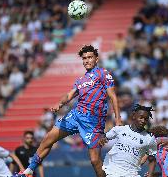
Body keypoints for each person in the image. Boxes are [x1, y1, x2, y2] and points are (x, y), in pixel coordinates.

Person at [15, 45, 122, 177]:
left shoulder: (103, 74)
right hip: (76, 115)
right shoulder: (80, 80)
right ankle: (28, 171)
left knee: (95, 161)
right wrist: (60, 104)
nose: (87, 60)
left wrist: (118, 118)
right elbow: (69, 95)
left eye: (90, 57)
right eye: (84, 58)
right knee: (49, 138)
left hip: (93, 122)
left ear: (96, 59)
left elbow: (113, 96)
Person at [98, 104, 157, 177]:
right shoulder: (120, 129)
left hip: (131, 174)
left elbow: (152, 159)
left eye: (146, 119)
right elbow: (104, 138)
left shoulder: (149, 138)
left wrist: (150, 174)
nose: (143, 121)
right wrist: (102, 140)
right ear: (134, 116)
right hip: (112, 172)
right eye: (141, 117)